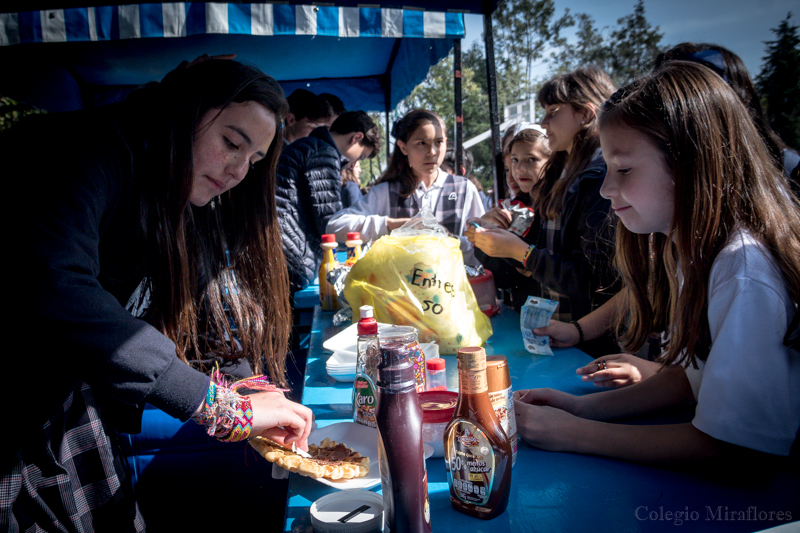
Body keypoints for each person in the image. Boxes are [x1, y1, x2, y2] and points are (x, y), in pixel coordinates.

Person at [1, 59, 314, 530]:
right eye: (231, 142)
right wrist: (220, 407)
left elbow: (202, 315)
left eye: (253, 161)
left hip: (67, 411)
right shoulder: (83, 149)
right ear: (182, 113)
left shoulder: (181, 192)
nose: (237, 171)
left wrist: (250, 393)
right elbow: (54, 285)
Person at [514, 62, 800, 467]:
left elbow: (736, 449)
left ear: (692, 164)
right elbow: (686, 380)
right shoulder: (694, 253)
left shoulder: (743, 269)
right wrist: (578, 409)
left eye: (624, 169)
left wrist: (575, 433)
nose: (607, 188)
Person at [467, 67, 619, 356]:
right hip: (545, 340)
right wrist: (488, 242)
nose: (543, 121)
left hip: (587, 349)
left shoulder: (601, 182)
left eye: (553, 111)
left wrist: (523, 253)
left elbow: (597, 284)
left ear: (585, 115)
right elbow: (516, 277)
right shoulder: (555, 182)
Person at [325, 109, 485, 264]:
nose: (432, 152)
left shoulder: (464, 189)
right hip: (398, 290)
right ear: (403, 147)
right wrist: (391, 225)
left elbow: (481, 248)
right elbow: (335, 226)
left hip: (453, 288)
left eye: (439, 142)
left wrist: (450, 241)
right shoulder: (386, 192)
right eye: (422, 143)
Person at [277, 110, 381, 293]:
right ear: (356, 137)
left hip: (282, 252)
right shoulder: (323, 153)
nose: (354, 163)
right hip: (290, 260)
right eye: (361, 156)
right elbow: (330, 223)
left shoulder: (311, 146)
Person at [473, 124, 550, 311]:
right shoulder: (512, 209)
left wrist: (521, 255)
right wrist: (484, 237)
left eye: (531, 159)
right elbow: (503, 278)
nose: (517, 171)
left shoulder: (559, 205)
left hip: (563, 319)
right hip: (524, 313)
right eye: (512, 163)